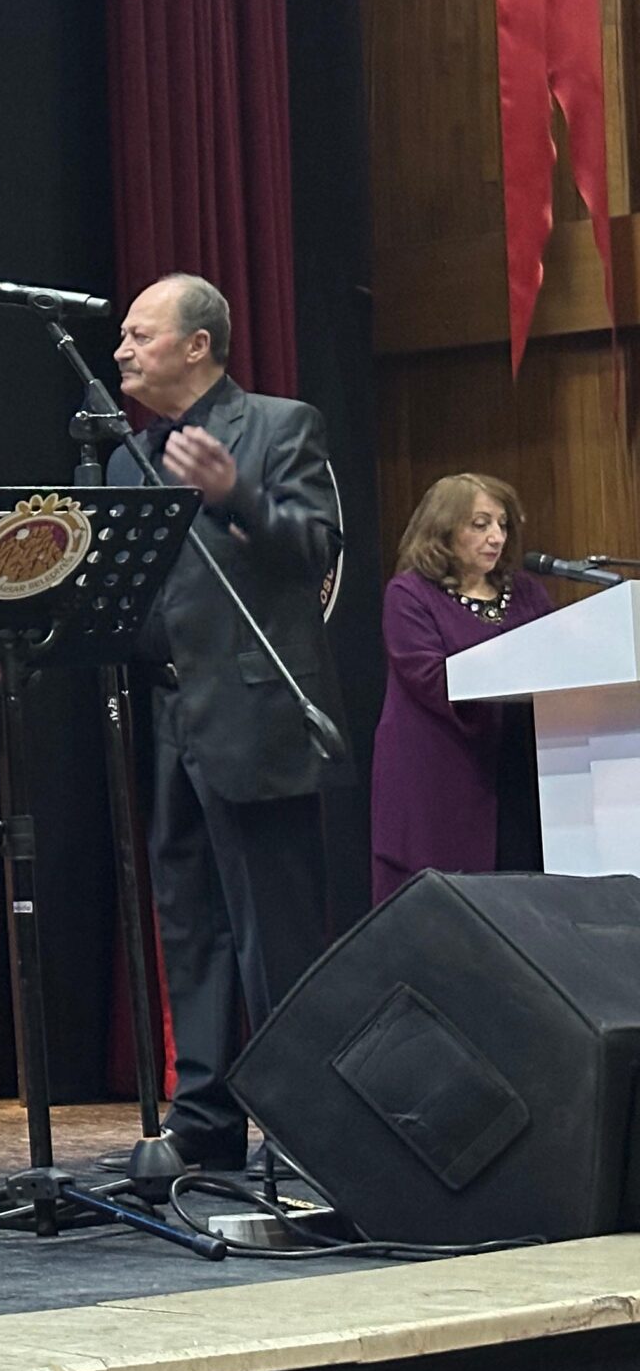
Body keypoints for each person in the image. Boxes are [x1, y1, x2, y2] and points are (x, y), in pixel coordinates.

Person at [108, 272, 352, 1173]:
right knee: (191, 926)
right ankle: (204, 1122)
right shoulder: (125, 457)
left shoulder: (281, 427)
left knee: (273, 933)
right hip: (169, 712)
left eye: (141, 334)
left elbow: (316, 548)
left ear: (198, 345)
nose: (123, 349)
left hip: (257, 714)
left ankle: (300, 1129)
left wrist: (236, 493)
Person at [372, 474, 553, 904]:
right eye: (480, 524)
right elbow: (429, 677)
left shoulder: (526, 591)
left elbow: (555, 656)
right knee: (445, 908)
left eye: (502, 525)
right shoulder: (409, 594)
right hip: (438, 772)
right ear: (444, 529)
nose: (496, 537)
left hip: (517, 769)